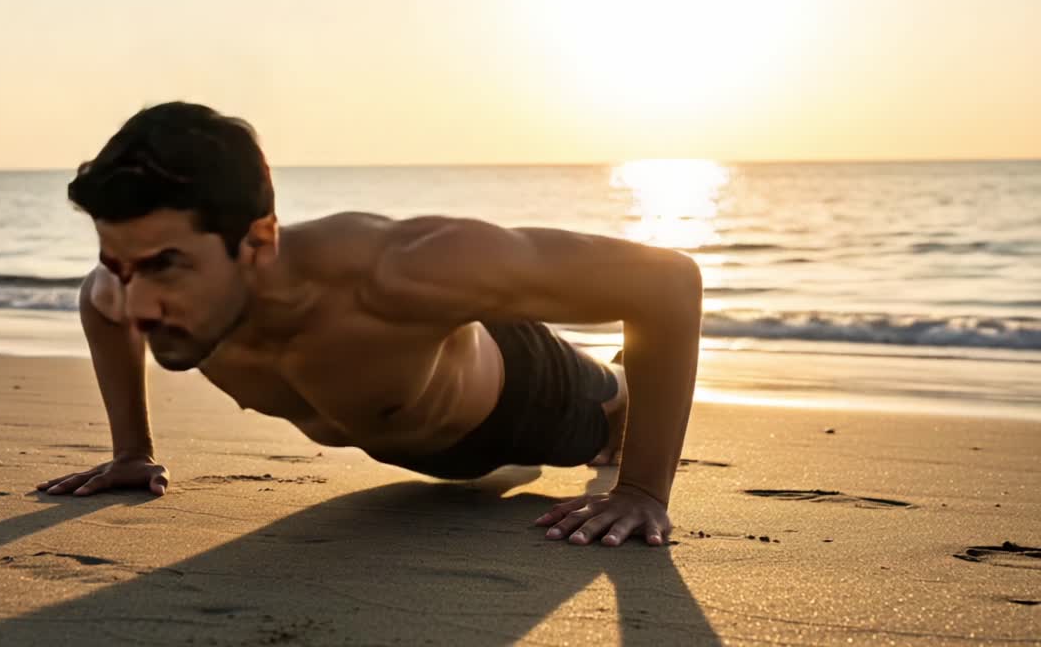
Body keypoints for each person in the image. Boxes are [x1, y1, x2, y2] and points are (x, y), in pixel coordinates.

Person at [37, 102, 702, 548]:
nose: (137, 302)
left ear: (259, 240)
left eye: (166, 266)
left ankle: (618, 388)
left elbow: (667, 283)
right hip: (409, 444)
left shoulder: (402, 271)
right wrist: (132, 452)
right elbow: (100, 304)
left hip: (520, 399)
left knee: (606, 403)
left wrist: (642, 490)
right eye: (117, 264)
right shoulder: (128, 290)